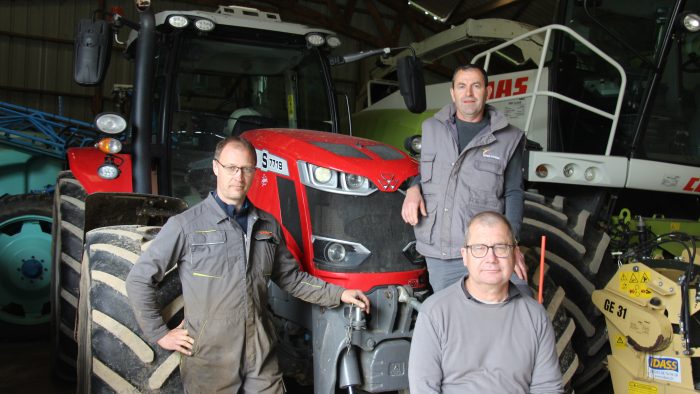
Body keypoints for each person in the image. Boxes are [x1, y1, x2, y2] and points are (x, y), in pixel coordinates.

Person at [126, 136, 370, 393]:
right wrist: (159, 333)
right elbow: (139, 279)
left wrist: (339, 293)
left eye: (246, 169)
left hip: (260, 353)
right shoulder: (185, 226)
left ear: (254, 172)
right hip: (210, 358)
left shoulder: (267, 225)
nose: (238, 176)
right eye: (231, 167)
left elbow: (291, 278)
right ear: (215, 167)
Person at [401, 63, 527, 292]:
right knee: (453, 319)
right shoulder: (431, 128)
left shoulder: (510, 137)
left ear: (487, 92)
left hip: (487, 252)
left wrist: (512, 245)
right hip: (442, 253)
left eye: (475, 86)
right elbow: (429, 173)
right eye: (462, 86)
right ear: (453, 92)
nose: (468, 93)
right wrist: (413, 188)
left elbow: (514, 193)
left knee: (504, 311)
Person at [408, 211, 563, 393]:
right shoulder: (435, 313)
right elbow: (424, 388)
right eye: (479, 248)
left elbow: (547, 388)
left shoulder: (536, 316)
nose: (491, 258)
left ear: (515, 254)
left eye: (501, 247)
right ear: (465, 255)